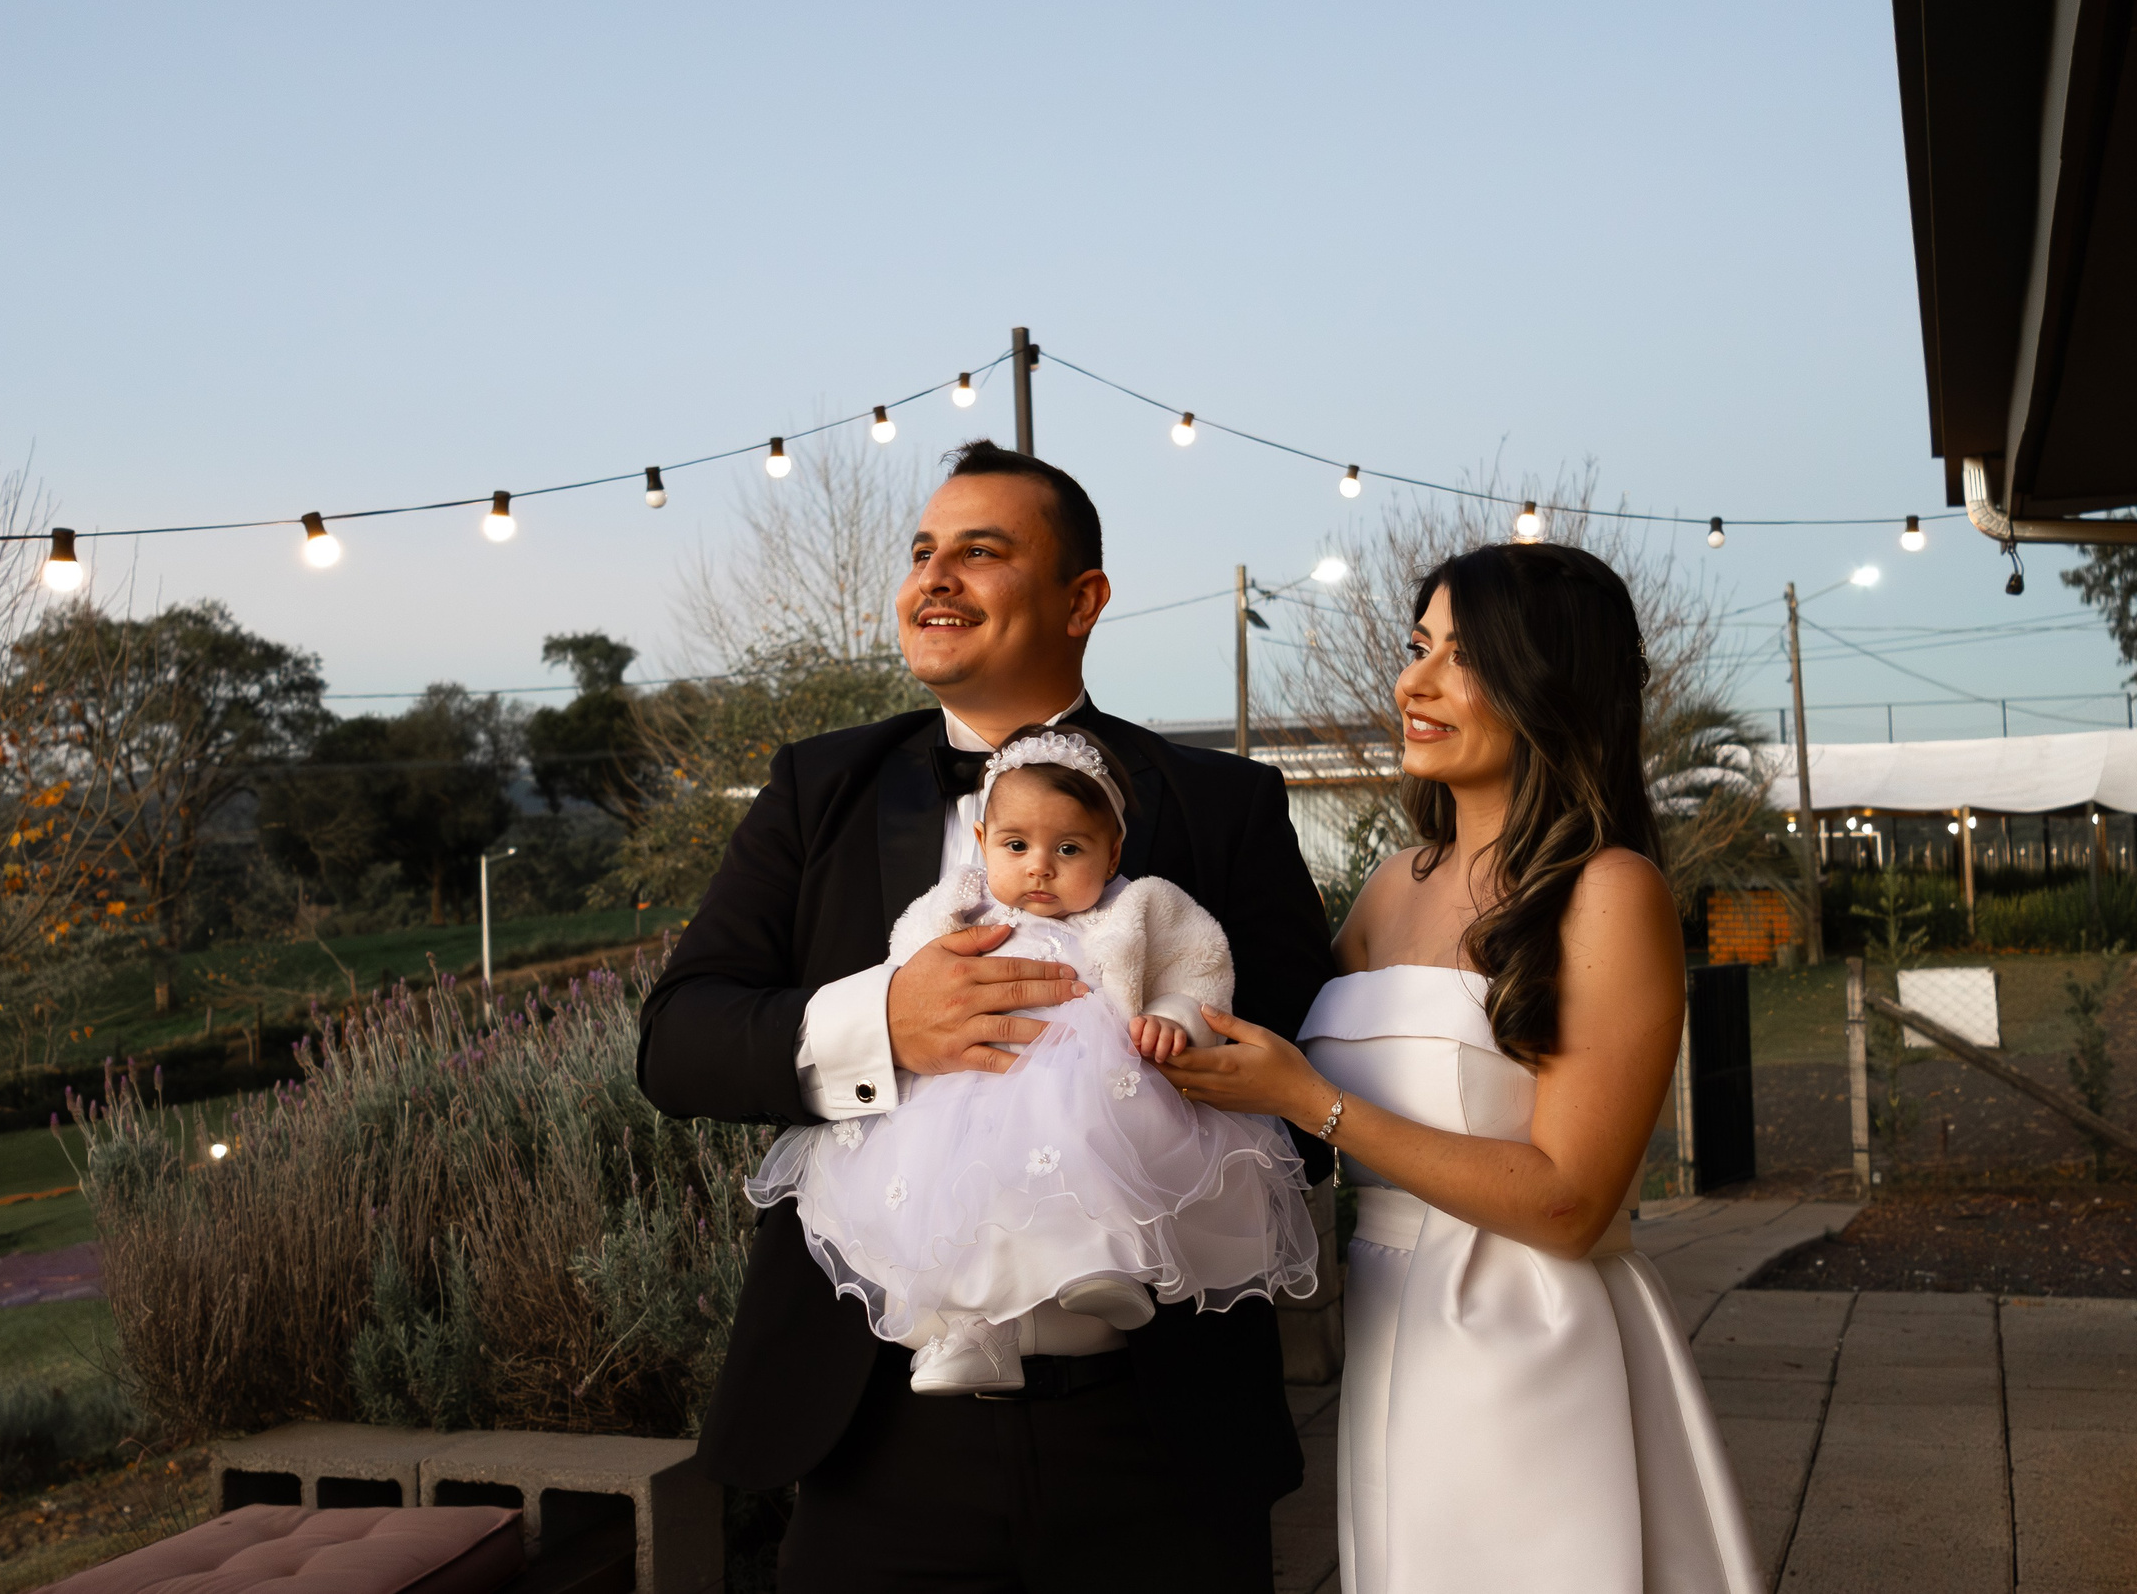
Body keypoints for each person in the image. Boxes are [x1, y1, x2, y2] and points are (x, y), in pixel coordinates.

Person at [637, 440, 1338, 1592]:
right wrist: (885, 1023)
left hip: (1157, 1426)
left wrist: (1164, 1054)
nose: (934, 577)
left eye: (980, 550)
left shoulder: (1224, 804)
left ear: (1083, 599)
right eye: (922, 552)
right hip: (875, 1427)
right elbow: (679, 1040)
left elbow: (1303, 1102)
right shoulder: (818, 788)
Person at [1165, 542, 1761, 1593]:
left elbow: (1572, 1201)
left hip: (1526, 1327)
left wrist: (1316, 1103)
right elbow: (1254, 1047)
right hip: (1393, 1322)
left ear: (1550, 684)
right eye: (1416, 646)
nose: (1413, 682)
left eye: (1462, 657)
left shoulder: (1605, 891)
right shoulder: (1397, 882)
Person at [745, 722, 1319, 1397]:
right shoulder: (956, 906)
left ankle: (1104, 1265)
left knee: (1086, 1149)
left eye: (1069, 847)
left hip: (1097, 1080)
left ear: (1112, 855)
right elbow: (907, 964)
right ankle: (973, 1336)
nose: (1040, 865)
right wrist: (901, 1004)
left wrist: (1176, 1019)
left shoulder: (1139, 904)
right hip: (968, 1084)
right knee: (953, 1203)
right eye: (1017, 845)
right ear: (983, 842)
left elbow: (1199, 963)